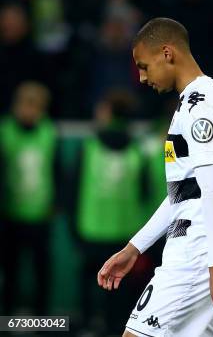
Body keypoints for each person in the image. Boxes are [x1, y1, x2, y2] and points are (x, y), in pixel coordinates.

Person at [96, 17, 213, 337]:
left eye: (144, 66)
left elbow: (212, 190)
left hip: (199, 254)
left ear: (167, 53)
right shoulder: (199, 100)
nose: (141, 77)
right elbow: (185, 194)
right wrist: (134, 248)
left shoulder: (198, 108)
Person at [70, 89, 149, 334]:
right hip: (123, 234)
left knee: (89, 285)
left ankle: (87, 325)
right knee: (118, 290)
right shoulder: (138, 150)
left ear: (107, 112)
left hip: (90, 230)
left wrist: (74, 228)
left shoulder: (89, 146)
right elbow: (144, 193)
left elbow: (73, 188)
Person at [0, 81, 57, 315]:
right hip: (9, 214)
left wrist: (54, 204)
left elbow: (55, 170)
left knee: (41, 271)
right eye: (26, 105)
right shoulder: (4, 131)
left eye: (36, 107)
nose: (30, 111)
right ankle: (9, 320)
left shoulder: (48, 133)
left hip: (40, 215)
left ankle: (41, 321)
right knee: (10, 271)